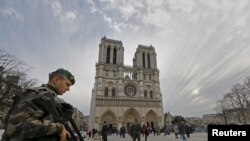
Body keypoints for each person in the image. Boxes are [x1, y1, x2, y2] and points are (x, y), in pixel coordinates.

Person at [1, 68, 75, 141]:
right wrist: (58, 128)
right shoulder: (36, 94)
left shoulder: (54, 101)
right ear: (56, 80)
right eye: (67, 84)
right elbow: (15, 127)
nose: (68, 89)